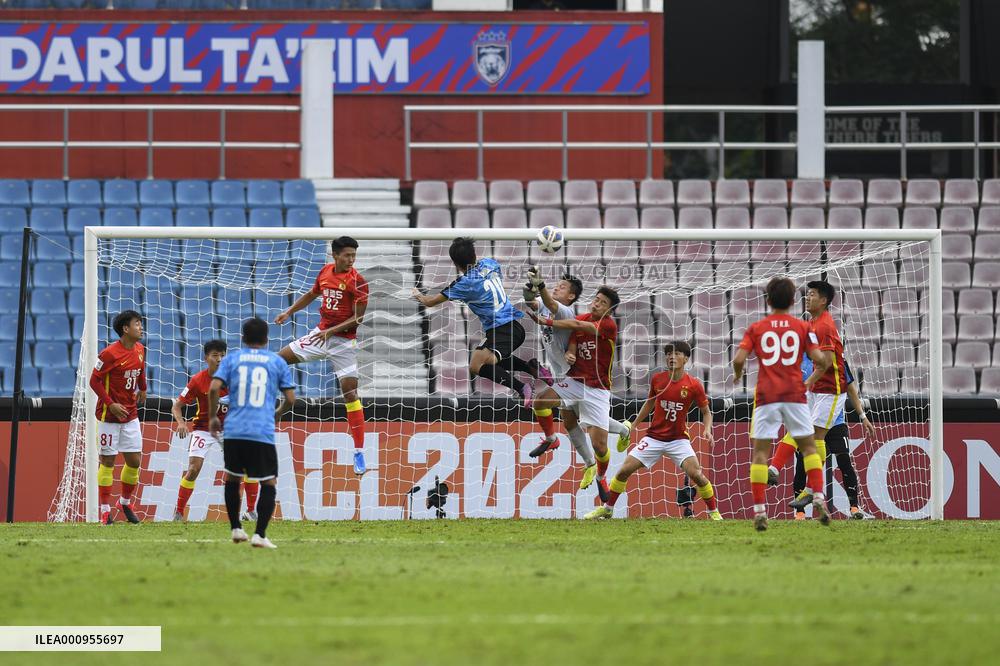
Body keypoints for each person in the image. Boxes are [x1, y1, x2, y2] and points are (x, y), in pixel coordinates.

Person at [732, 277, 831, 531]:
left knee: (761, 453)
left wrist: (738, 372)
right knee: (809, 447)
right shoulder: (802, 327)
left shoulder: (757, 328)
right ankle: (818, 496)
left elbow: (739, 358)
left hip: (767, 396)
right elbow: (821, 359)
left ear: (768, 300)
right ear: (791, 301)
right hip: (795, 395)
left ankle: (759, 512)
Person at [584, 341, 722, 520]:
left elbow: (706, 412)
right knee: (624, 470)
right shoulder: (658, 379)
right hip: (654, 438)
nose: (672, 357)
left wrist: (707, 429)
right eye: (669, 354)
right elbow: (649, 404)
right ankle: (607, 509)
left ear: (686, 358)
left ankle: (714, 513)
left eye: (677, 354)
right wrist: (633, 425)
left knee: (697, 474)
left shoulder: (694, 385)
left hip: (678, 440)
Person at [274, 236, 369, 476]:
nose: (351, 259)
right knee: (276, 360)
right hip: (320, 335)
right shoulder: (325, 272)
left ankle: (359, 451)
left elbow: (358, 319)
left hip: (343, 342)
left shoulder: (358, 282)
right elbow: (312, 293)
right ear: (335, 255)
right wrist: (289, 311)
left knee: (350, 393)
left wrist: (331, 332)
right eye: (347, 255)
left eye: (353, 255)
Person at [412, 237, 543, 403]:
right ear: (474, 254)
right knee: (482, 361)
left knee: (478, 365)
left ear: (455, 263)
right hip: (512, 327)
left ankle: (522, 387)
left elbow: (429, 302)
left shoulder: (463, 283)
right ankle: (530, 367)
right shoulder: (491, 263)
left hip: (502, 330)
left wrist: (417, 294)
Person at [521, 286, 620, 502]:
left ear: (609, 311)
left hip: (598, 389)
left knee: (600, 446)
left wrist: (545, 322)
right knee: (541, 402)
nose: (596, 304)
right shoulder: (583, 316)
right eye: (596, 299)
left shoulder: (608, 325)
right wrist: (571, 351)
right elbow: (575, 333)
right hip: (575, 380)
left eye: (603, 303)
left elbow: (576, 325)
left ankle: (601, 477)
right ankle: (551, 438)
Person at [521, 268, 631, 464]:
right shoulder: (552, 308)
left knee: (582, 424)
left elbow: (552, 305)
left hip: (573, 375)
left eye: (562, 287)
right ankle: (589, 461)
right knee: (572, 421)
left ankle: (558, 442)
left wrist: (542, 287)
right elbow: (535, 303)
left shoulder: (564, 310)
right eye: (556, 285)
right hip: (563, 374)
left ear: (571, 296)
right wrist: (528, 292)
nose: (557, 288)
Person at [210, 318, 296, 549]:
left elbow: (213, 388)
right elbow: (290, 399)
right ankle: (259, 534)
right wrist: (277, 413)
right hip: (261, 430)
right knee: (269, 481)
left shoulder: (232, 359)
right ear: (267, 339)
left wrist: (212, 417)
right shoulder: (276, 361)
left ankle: (236, 529)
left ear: (242, 338)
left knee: (232, 478)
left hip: (235, 430)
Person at [171, 340, 259, 522]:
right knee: (194, 469)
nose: (219, 359)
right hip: (203, 429)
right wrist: (180, 422)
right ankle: (178, 513)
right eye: (215, 355)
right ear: (206, 358)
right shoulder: (197, 380)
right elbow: (177, 406)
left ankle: (251, 512)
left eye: (222, 355)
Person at [788, 358, 876, 519]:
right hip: (811, 422)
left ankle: (854, 507)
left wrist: (863, 416)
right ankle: (800, 512)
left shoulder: (839, 361)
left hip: (836, 422)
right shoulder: (800, 360)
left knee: (844, 461)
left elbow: (851, 389)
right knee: (802, 463)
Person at [89, 309, 147, 525]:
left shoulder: (140, 349)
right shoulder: (109, 354)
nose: (140, 327)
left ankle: (124, 502)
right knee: (108, 461)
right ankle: (105, 510)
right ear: (125, 328)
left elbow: (141, 370)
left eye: (140, 323)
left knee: (134, 461)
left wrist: (143, 387)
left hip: (130, 414)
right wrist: (110, 404)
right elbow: (94, 381)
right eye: (137, 324)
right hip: (108, 417)